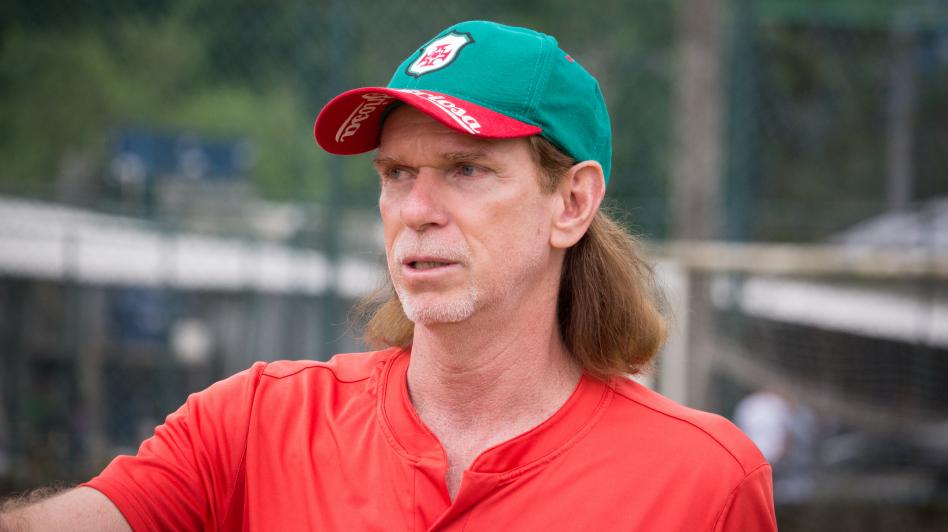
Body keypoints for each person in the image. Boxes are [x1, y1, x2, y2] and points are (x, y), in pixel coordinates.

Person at [0, 20, 776, 531]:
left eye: (465, 169)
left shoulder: (704, 482)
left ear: (571, 203)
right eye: (396, 172)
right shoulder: (254, 424)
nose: (417, 207)